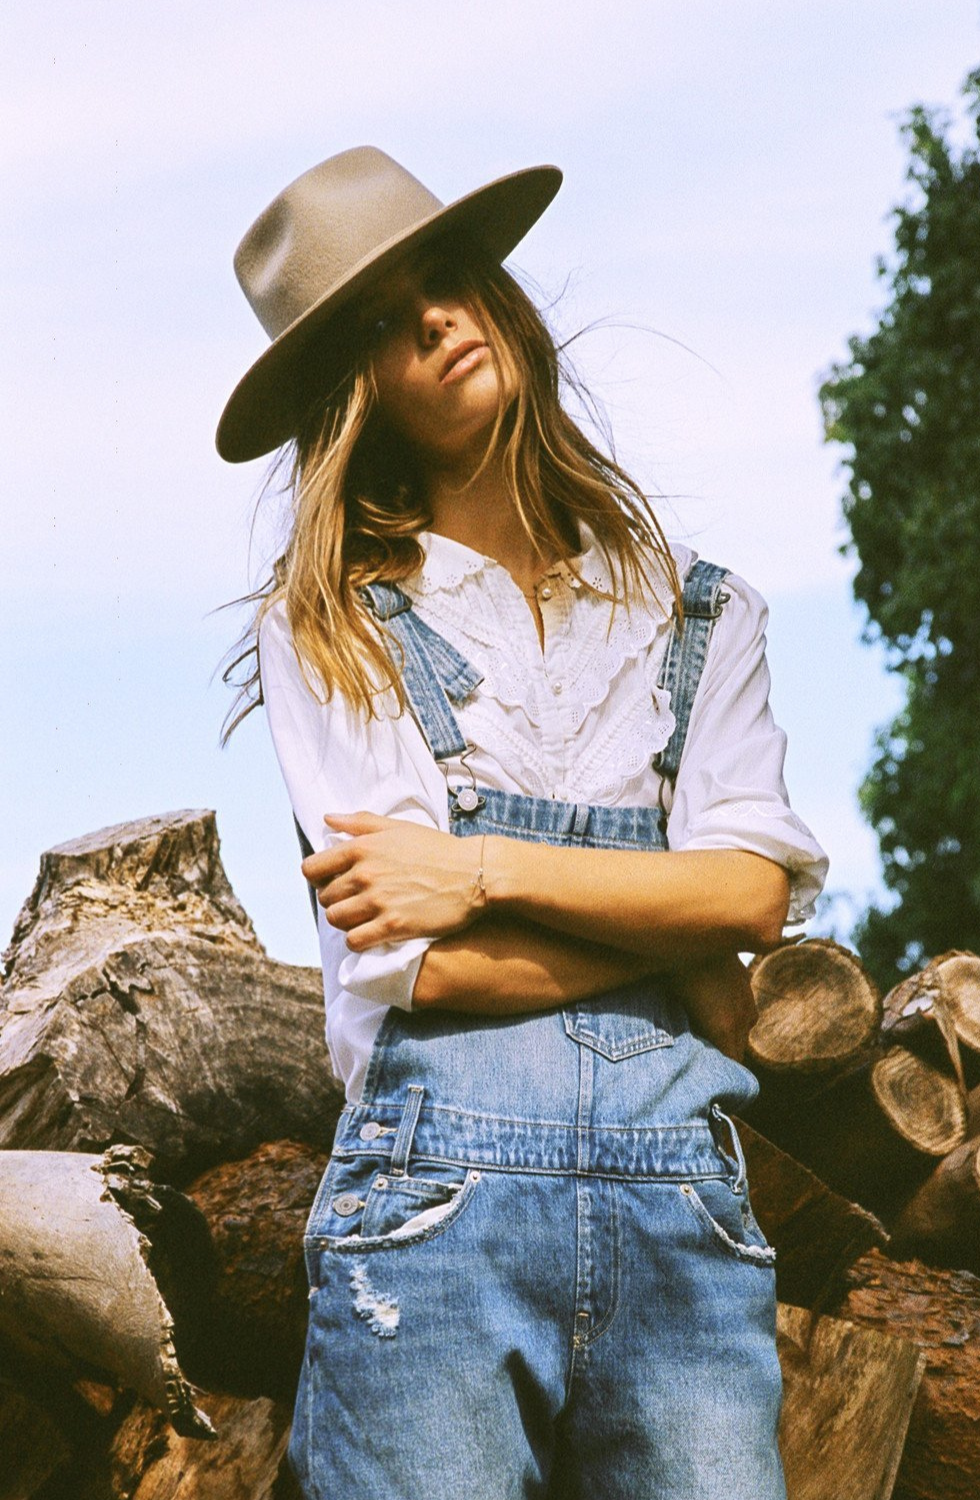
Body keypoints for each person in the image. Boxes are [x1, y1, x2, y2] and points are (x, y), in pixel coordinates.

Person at [217, 146, 828, 1500]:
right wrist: (677, 947)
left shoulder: (699, 611)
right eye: (384, 320)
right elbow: (419, 966)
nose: (438, 317)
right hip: (433, 1223)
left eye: (449, 280)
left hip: (685, 1219)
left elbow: (752, 902)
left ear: (499, 298)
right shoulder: (329, 628)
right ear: (349, 393)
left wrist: (477, 865)